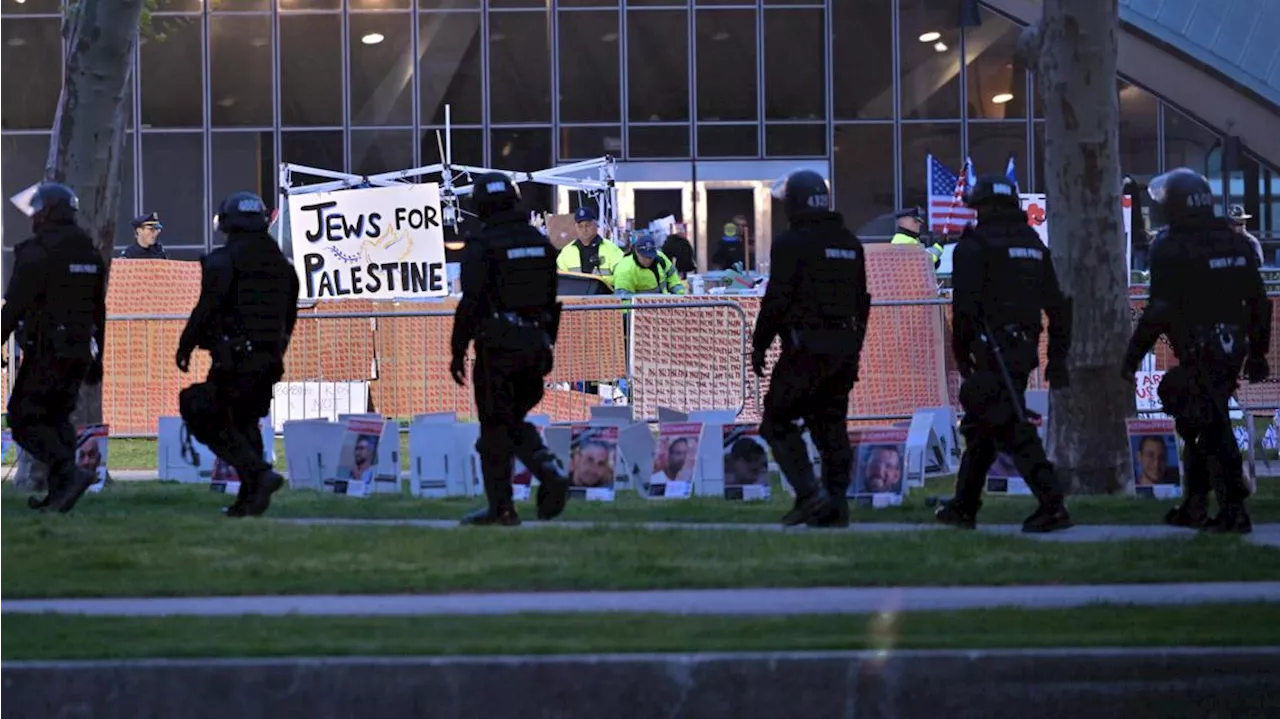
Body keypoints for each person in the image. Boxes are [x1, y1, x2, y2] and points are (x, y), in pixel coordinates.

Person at [1121, 168, 1270, 534]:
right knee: (1202, 419)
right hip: (1232, 347)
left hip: (1201, 349)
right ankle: (1195, 503)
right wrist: (1258, 353)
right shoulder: (1234, 242)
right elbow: (1259, 302)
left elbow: (1159, 310)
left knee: (1199, 414)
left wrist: (1132, 357)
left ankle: (1233, 507)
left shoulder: (1170, 246)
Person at [936, 174, 1073, 534]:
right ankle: (964, 505)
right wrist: (1057, 358)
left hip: (990, 348)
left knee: (1012, 426)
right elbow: (1059, 307)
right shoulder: (1032, 245)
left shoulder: (975, 245)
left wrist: (961, 352)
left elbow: (964, 309)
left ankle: (1052, 503)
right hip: (1022, 348)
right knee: (982, 426)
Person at [450, 172, 573, 526]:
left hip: (499, 349)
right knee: (509, 423)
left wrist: (457, 350)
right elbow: (551, 302)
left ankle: (503, 506)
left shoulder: (483, 245)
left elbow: (471, 302)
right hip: (536, 348)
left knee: (494, 428)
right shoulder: (540, 243)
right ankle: (546, 472)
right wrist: (545, 344)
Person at [751, 169, 871, 528]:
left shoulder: (792, 243)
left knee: (777, 421)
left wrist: (759, 344)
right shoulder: (850, 243)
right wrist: (854, 350)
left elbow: (777, 300)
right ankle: (836, 506)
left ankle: (809, 494)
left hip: (805, 350)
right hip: (843, 350)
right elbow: (862, 302)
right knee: (831, 425)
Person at [176, 192, 299, 518]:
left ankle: (258, 473)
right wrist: (275, 352)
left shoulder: (223, 261)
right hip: (269, 361)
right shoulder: (284, 268)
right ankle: (250, 500)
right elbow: (289, 319)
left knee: (201, 409)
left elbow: (207, 307)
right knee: (244, 423)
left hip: (233, 359)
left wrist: (186, 345)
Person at [0, 183, 106, 513]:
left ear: (46, 213)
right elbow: (97, 309)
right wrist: (99, 355)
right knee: (57, 419)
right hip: (79, 353)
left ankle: (69, 472)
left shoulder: (37, 252)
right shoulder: (88, 252)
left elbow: (15, 305)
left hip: (47, 351)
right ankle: (58, 497)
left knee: (22, 418)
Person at [556, 206, 624, 289]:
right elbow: (560, 279)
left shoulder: (612, 249)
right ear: (575, 228)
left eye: (588, 225)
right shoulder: (566, 252)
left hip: (604, 298)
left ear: (596, 225)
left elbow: (623, 276)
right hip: (575, 298)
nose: (584, 229)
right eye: (580, 226)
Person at [613, 232, 686, 295]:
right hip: (640, 308)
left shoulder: (660, 258)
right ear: (637, 252)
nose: (648, 260)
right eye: (645, 257)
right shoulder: (625, 269)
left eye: (651, 257)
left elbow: (673, 277)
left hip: (663, 305)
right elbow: (624, 299)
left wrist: (680, 295)